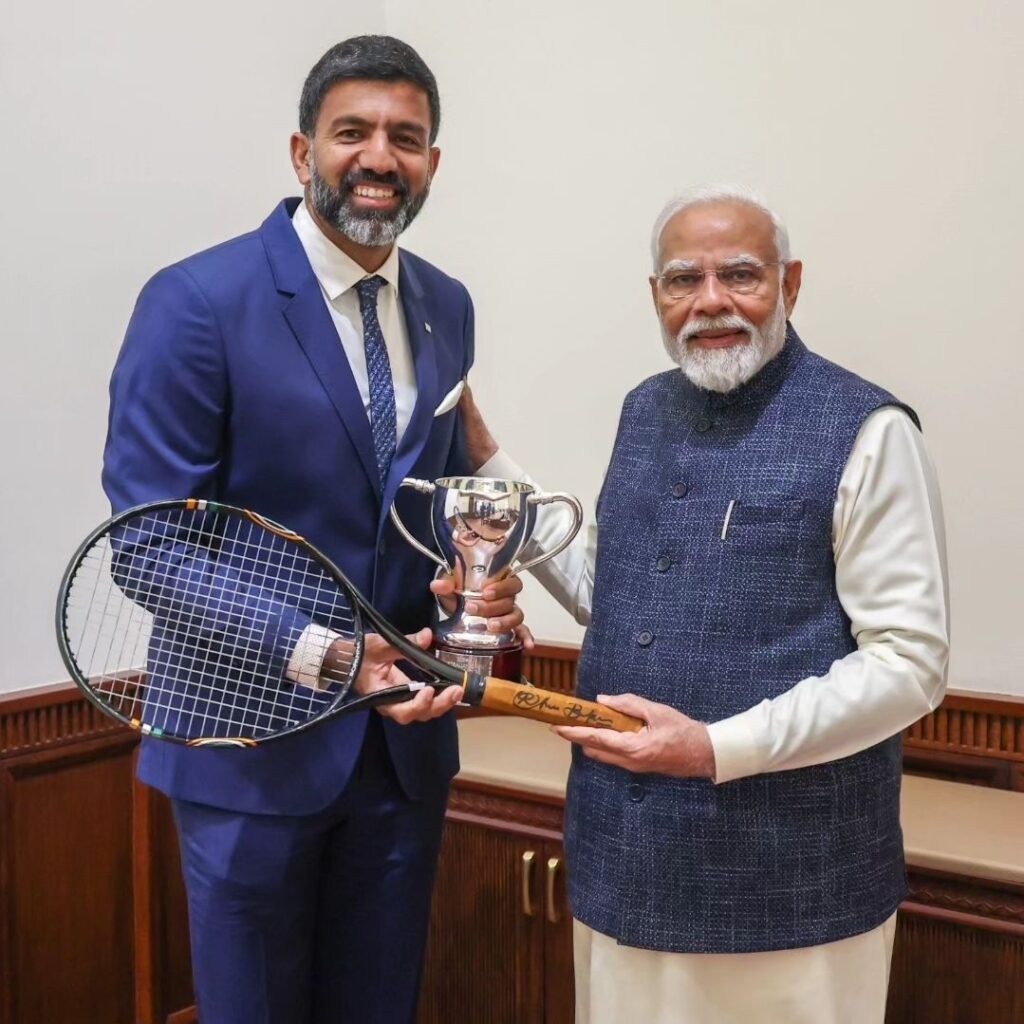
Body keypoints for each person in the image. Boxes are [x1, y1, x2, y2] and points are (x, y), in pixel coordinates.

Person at [102, 35, 526, 1024]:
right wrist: (329, 653)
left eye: (406, 138)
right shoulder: (196, 302)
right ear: (303, 154)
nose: (380, 156)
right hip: (249, 751)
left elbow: (437, 509)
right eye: (353, 132)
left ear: (431, 162)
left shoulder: (446, 306)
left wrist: (479, 589)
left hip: (402, 757)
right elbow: (149, 548)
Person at [462, 184, 950, 1024]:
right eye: (684, 279)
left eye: (742, 276)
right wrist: (487, 461)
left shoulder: (869, 429)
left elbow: (909, 666)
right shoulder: (644, 410)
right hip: (625, 864)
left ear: (791, 285)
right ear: (655, 295)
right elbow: (614, 598)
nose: (711, 302)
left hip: (795, 889)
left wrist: (713, 748)